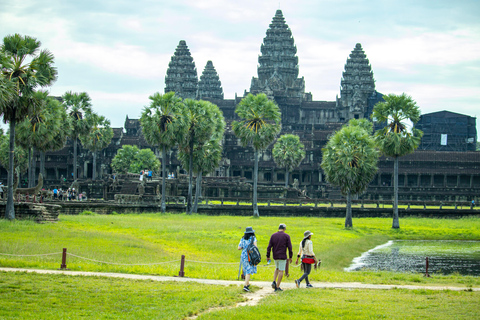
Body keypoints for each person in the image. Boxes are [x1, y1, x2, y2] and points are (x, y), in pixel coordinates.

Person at [266, 223, 293, 292]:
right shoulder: (286, 236)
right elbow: (290, 247)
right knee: (281, 270)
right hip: (282, 256)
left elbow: (269, 246)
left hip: (275, 255)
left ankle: (274, 281)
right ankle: (277, 286)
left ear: (278, 228)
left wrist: (268, 256)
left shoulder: (273, 236)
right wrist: (290, 256)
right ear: (284, 229)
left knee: (277, 268)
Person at [238, 226, 258, 292]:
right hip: (250, 255)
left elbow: (239, 247)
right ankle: (245, 286)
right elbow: (255, 247)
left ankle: (247, 283)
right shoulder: (253, 238)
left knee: (245, 269)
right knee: (249, 270)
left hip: (243, 255)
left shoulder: (243, 238)